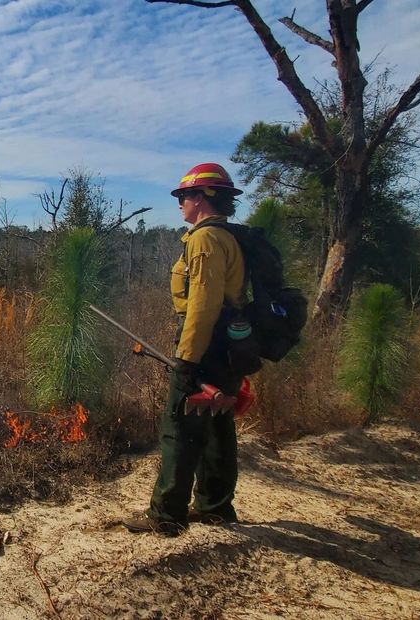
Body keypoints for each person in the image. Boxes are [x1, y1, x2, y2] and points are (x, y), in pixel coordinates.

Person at [123, 163, 247, 536]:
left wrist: (188, 360)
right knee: (217, 423)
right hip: (229, 345)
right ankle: (215, 507)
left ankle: (166, 515)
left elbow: (203, 305)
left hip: (207, 346)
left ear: (203, 199)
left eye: (184, 196)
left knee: (179, 427)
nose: (180, 203)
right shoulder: (229, 236)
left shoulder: (205, 239)